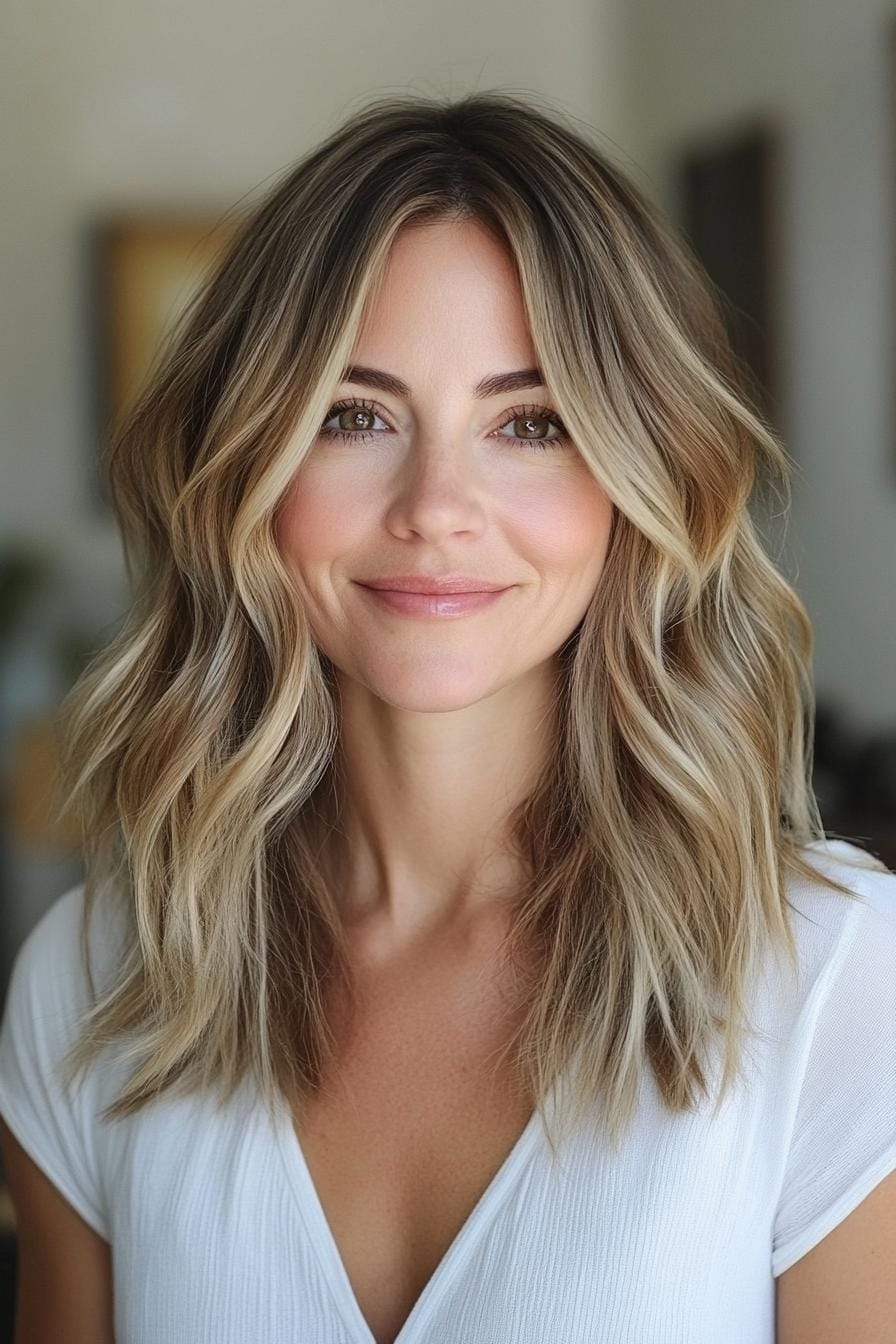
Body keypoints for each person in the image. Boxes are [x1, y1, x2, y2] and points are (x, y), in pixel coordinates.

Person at [1, 90, 894, 1344]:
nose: (437, 505)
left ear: (640, 482)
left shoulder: (836, 985)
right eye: (354, 416)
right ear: (249, 471)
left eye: (529, 424)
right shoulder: (91, 990)